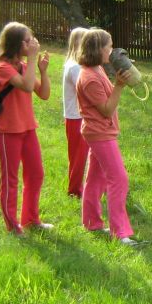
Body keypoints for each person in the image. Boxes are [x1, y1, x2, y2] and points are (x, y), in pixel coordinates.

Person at [0, 22, 52, 234]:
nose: (32, 44)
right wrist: (32, 59)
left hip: (28, 128)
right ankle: (12, 226)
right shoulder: (1, 68)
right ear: (15, 44)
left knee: (36, 174)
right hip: (8, 131)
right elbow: (26, 86)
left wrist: (42, 71)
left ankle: (31, 219)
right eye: (27, 41)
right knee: (10, 179)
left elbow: (44, 94)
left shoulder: (23, 66)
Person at [76, 28, 139, 246]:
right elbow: (106, 109)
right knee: (118, 178)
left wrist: (120, 80)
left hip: (100, 131)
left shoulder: (97, 69)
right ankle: (119, 232)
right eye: (109, 46)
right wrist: (119, 86)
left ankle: (91, 222)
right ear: (98, 49)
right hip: (100, 134)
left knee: (96, 178)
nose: (111, 50)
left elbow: (106, 99)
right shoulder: (89, 78)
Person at [62, 27, 89, 198]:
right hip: (77, 117)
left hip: (76, 116)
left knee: (81, 154)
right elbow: (86, 90)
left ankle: (82, 186)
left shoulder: (74, 65)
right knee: (79, 156)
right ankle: (75, 190)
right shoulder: (75, 67)